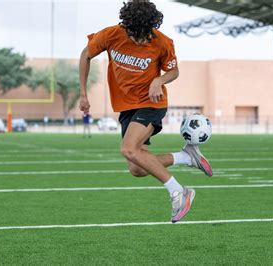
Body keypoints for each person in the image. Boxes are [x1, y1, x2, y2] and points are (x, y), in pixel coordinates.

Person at [79, 0, 213, 223]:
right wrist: (83, 93)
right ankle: (187, 157)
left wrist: (159, 80)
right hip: (126, 107)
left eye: (145, 35)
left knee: (128, 149)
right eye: (135, 35)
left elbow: (174, 71)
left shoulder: (162, 42)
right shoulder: (111, 35)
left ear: (152, 26)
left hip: (152, 104)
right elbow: (85, 55)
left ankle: (179, 192)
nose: (140, 40)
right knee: (136, 168)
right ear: (126, 25)